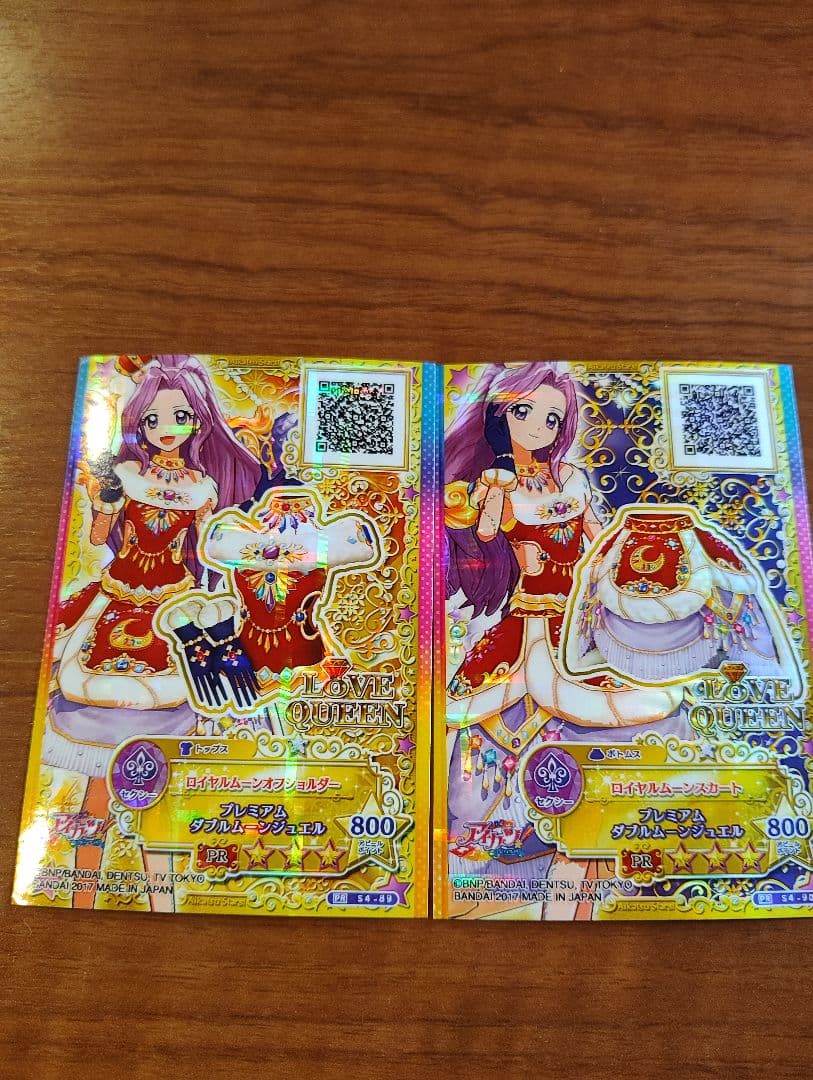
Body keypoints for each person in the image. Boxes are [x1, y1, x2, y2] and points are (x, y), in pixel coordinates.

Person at [444, 363, 686, 918]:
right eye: (525, 412)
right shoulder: (496, 485)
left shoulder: (572, 479)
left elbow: (600, 540)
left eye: (553, 418)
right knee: (479, 733)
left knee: (622, 707)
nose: (539, 427)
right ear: (501, 417)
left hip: (579, 620)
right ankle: (498, 842)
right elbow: (484, 541)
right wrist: (498, 523)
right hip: (526, 620)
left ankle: (597, 831)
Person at [43, 354, 261, 907]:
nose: (168, 429)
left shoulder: (203, 487)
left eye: (181, 417)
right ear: (139, 423)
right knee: (98, 776)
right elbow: (99, 538)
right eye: (154, 419)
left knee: (163, 761)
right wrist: (103, 504)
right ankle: (80, 895)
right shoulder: (127, 476)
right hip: (117, 601)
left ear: (197, 424)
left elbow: (208, 552)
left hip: (172, 609)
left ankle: (163, 901)